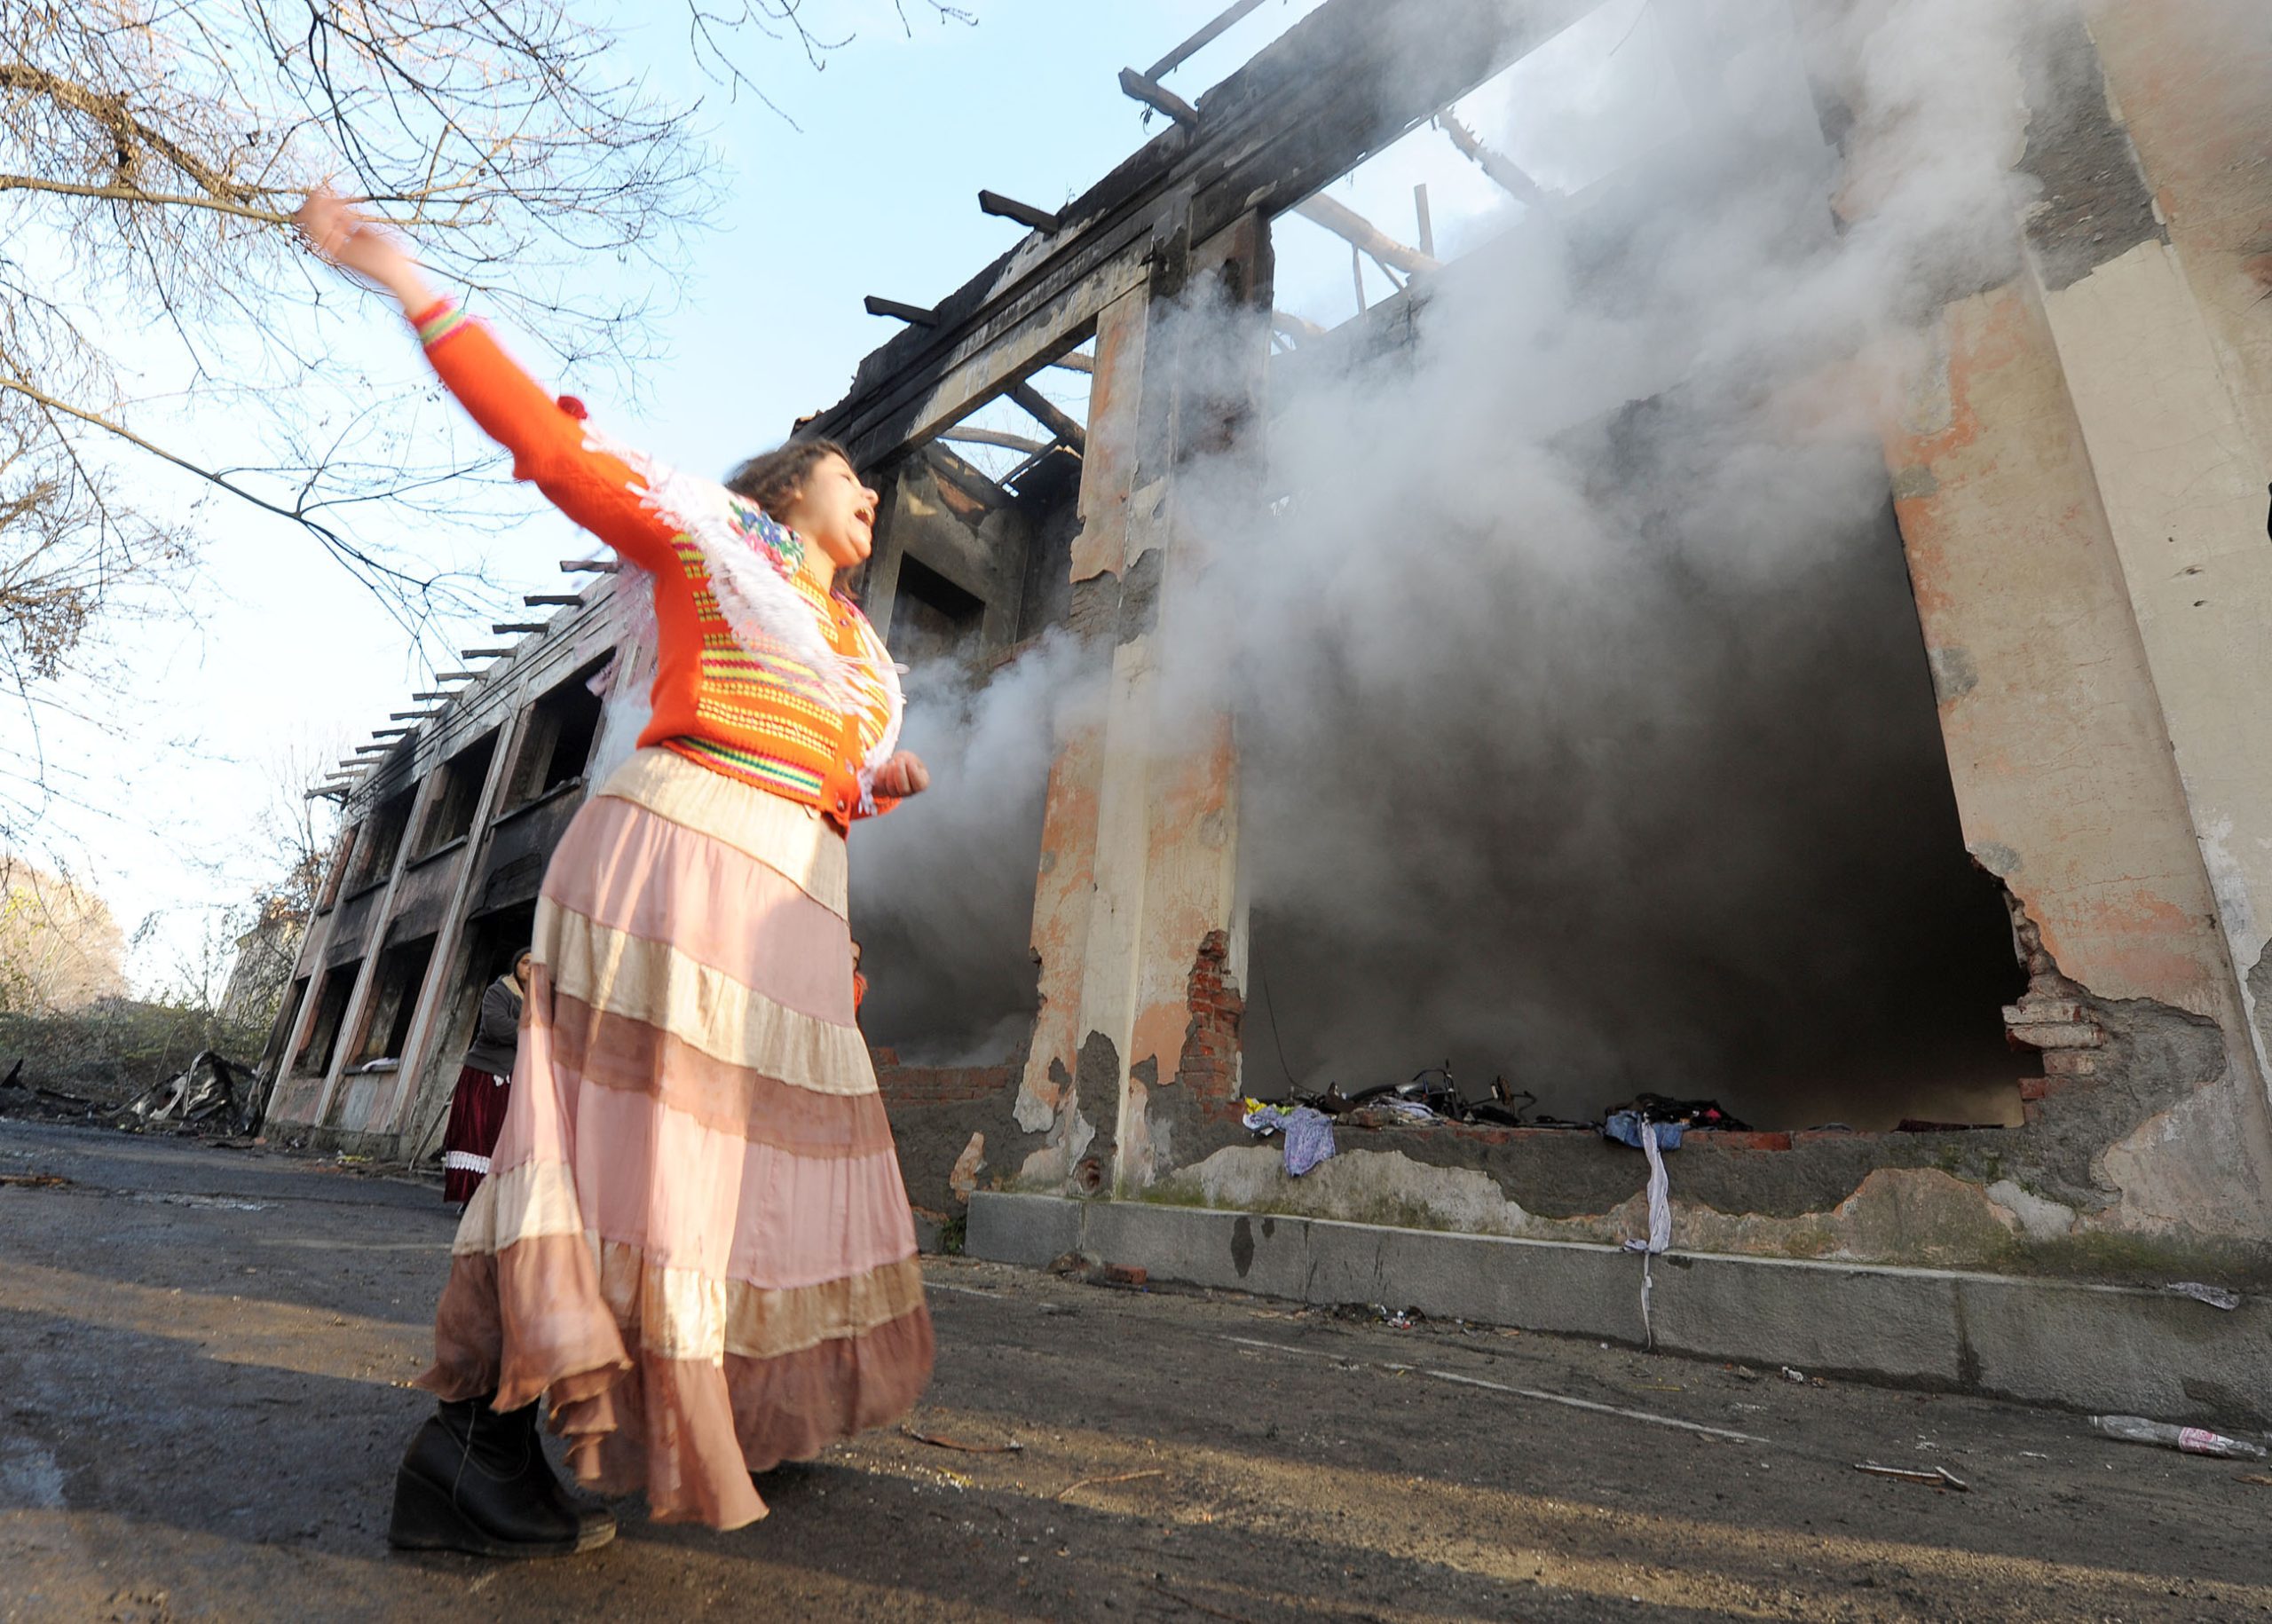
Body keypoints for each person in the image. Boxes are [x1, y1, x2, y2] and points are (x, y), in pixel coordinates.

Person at [295, 190, 935, 1556]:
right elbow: (547, 442)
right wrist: (407, 278)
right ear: (783, 494)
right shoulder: (709, 545)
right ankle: (472, 1448)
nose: (872, 492)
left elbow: (808, 775)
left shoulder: (849, 660)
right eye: (848, 473)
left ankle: (697, 1419)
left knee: (734, 1180)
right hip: (680, 860)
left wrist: (871, 786)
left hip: (782, 895)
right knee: (625, 1166)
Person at [440, 950, 532, 1206]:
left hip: (517, 1078)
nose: (531, 969)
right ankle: (471, 1199)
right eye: (526, 963)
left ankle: (496, 1201)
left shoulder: (541, 1000)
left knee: (507, 1139)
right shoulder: (499, 992)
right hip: (486, 1076)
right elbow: (495, 1026)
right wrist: (533, 1031)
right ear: (516, 966)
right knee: (479, 1135)